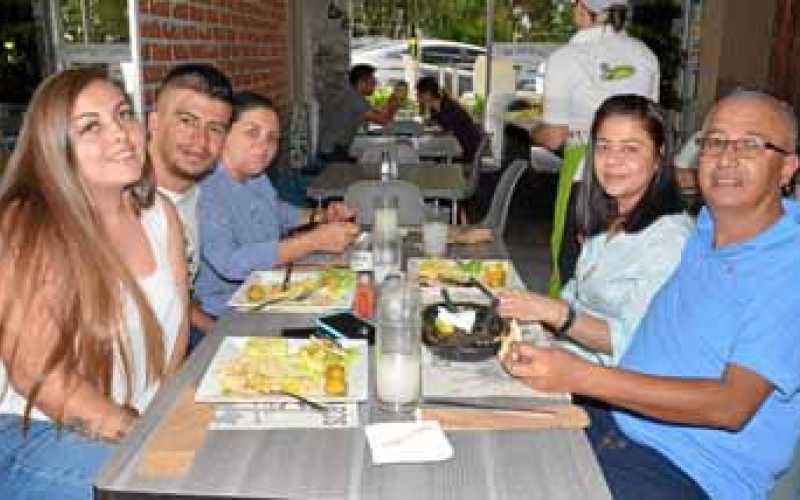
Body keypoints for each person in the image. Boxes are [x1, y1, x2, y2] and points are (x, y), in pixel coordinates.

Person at [503, 90, 800, 499]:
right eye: (714, 142)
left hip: (689, 470)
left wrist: (580, 374)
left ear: (787, 168)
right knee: (482, 447)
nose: (727, 157)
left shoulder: (788, 264)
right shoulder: (708, 225)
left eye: (750, 144)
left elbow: (731, 406)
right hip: (617, 422)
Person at [0, 69, 188, 499]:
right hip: (34, 430)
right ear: (52, 146)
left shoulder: (160, 215)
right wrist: (144, 437)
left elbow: (174, 338)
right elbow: (36, 375)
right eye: (90, 126)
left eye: (124, 114)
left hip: (136, 420)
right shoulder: (26, 224)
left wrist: (171, 422)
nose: (121, 134)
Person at [499, 95, 690, 366]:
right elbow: (576, 293)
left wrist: (555, 313)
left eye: (630, 149)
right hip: (569, 357)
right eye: (603, 147)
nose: (613, 160)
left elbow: (632, 340)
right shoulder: (609, 215)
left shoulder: (670, 239)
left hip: (611, 389)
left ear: (659, 157)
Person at [195, 91, 358, 317]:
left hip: (270, 291)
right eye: (252, 133)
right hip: (229, 312)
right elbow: (231, 263)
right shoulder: (206, 189)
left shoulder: (255, 176)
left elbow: (275, 211)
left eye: (272, 138)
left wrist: (320, 216)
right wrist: (313, 241)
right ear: (223, 133)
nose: (264, 146)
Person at [537, 0, 660, 297]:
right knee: (627, 267)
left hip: (589, 171)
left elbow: (554, 137)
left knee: (571, 267)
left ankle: (565, 331)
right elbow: (653, 122)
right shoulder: (646, 57)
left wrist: (534, 130)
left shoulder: (566, 58)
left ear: (582, 9)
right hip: (640, 175)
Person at [148, 63, 233, 349]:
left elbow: (178, 297)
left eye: (215, 128)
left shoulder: (197, 192)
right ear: (154, 123)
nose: (201, 141)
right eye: (187, 121)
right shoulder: (123, 200)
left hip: (179, 339)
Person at [318, 64, 397, 163]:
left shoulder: (353, 95)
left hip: (335, 147)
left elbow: (380, 113)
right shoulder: (354, 99)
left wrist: (392, 103)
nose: (375, 86)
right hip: (332, 149)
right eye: (372, 82)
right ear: (361, 82)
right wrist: (394, 104)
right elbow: (383, 121)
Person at [415, 76, 484, 162]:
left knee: (427, 156)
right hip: (455, 147)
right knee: (425, 154)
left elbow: (449, 132)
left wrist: (433, 131)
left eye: (419, 93)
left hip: (465, 150)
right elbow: (439, 128)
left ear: (427, 93)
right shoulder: (435, 109)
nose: (417, 97)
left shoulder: (450, 107)